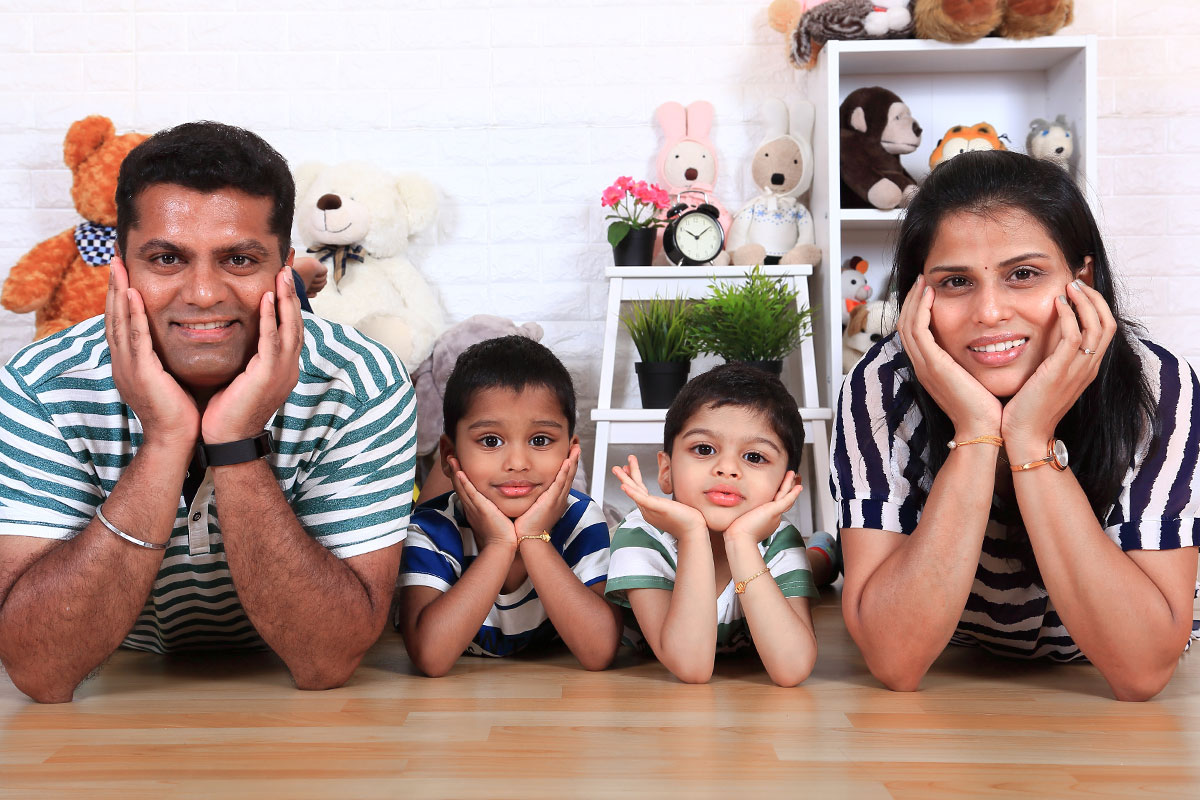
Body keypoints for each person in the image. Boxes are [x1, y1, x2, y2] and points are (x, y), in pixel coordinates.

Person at [0, 121, 416, 703]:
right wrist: (166, 440)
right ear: (120, 268)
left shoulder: (361, 382)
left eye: (239, 259)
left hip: (282, 699)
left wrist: (235, 441)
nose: (202, 294)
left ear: (286, 271)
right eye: (166, 258)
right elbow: (41, 670)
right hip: (124, 679)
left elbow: (326, 659)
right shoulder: (41, 385)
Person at [832, 149, 1199, 701]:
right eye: (956, 281)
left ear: (1082, 279)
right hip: (959, 680)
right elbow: (895, 659)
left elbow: (1141, 670)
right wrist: (977, 433)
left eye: (1023, 274)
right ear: (917, 295)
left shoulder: (1157, 384)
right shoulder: (879, 387)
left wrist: (1029, 438)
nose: (989, 312)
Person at [397, 336, 621, 676]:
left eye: (540, 440)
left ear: (570, 452)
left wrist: (533, 537)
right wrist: (500, 544)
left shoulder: (580, 519)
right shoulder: (430, 530)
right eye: (491, 441)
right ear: (449, 454)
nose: (517, 462)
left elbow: (599, 651)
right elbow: (431, 658)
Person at [606, 364, 819, 686]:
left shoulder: (779, 538)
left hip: (769, 545)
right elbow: (691, 666)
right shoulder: (640, 536)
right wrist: (692, 533)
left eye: (755, 457)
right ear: (666, 471)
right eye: (704, 449)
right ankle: (821, 552)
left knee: (815, 566)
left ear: (786, 488)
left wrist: (742, 541)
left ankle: (823, 552)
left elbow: (792, 669)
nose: (727, 468)